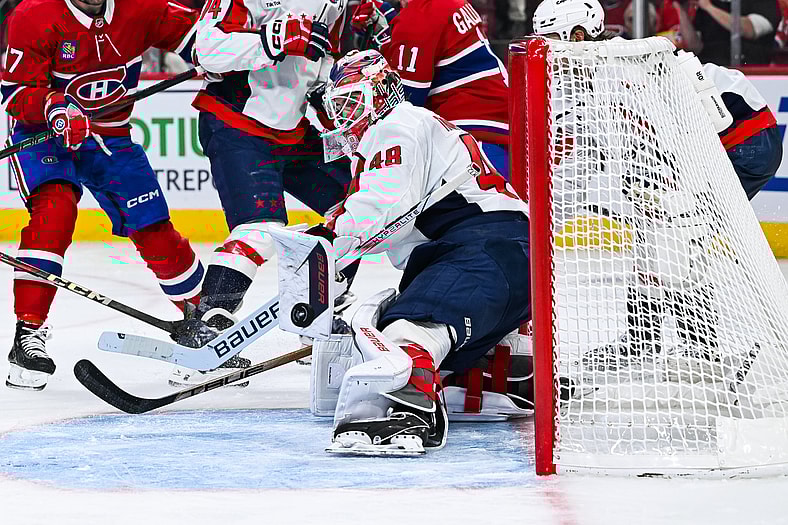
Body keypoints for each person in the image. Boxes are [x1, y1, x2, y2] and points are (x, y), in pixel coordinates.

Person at [533, 0, 783, 370]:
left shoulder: (617, 66)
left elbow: (689, 122)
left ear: (578, 35)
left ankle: (680, 347)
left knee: (675, 237)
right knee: (666, 237)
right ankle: (658, 343)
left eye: (552, 39)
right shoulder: (598, 71)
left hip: (744, 141)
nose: (546, 51)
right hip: (725, 142)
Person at [313, 49, 531, 455]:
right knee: (418, 329)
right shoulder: (408, 128)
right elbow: (382, 216)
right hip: (504, 258)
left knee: (404, 330)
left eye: (353, 102)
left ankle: (412, 408)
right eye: (339, 107)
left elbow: (382, 207)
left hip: (484, 251)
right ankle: (509, 374)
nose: (346, 117)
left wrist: (326, 245)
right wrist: (337, 255)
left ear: (380, 92)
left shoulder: (397, 124)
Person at [2, 0, 209, 391]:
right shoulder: (33, 16)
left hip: (110, 135)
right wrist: (53, 106)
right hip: (42, 136)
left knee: (153, 227)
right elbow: (15, 94)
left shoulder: (143, 7)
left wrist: (226, 55)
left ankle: (205, 321)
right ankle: (27, 335)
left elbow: (201, 41)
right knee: (55, 212)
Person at [170, 0, 353, 375]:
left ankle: (315, 316)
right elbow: (206, 50)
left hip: (295, 130)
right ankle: (207, 324)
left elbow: (318, 60)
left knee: (357, 210)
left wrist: (327, 93)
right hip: (238, 124)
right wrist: (272, 40)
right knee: (260, 230)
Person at [348, 0, 511, 178]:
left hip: (475, 148)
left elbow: (402, 110)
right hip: (499, 136)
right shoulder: (447, 4)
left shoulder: (419, 19)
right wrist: (390, 34)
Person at [673, 0, 780, 66]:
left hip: (748, 69)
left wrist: (709, 8)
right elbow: (694, 46)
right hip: (710, 68)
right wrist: (681, 10)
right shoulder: (711, 2)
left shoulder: (762, 2)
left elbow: (749, 29)